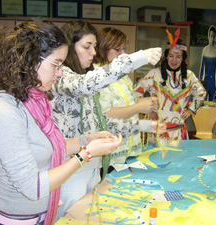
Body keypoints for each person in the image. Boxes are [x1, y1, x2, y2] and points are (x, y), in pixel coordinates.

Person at [0, 19, 122, 225]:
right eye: (57, 64)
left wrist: (86, 139)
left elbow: (51, 147)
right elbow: (32, 186)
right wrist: (86, 154)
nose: (60, 72)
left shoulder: (35, 101)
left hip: (40, 217)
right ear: (30, 60)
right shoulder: (3, 111)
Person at [50, 20, 162, 218]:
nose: (93, 52)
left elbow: (105, 122)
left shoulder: (83, 76)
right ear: (68, 47)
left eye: (94, 46)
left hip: (92, 167)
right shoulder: (61, 77)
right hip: (70, 170)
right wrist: (136, 58)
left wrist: (144, 125)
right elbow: (84, 85)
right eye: (87, 46)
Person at [95, 27, 165, 166]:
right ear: (104, 48)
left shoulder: (122, 74)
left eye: (124, 49)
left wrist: (145, 102)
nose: (123, 54)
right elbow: (106, 114)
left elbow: (126, 101)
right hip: (112, 154)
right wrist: (139, 107)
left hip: (130, 149)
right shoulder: (98, 77)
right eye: (117, 49)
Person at [134, 31, 206, 141]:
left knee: (179, 157)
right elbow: (135, 92)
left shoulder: (189, 76)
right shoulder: (154, 74)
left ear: (183, 58)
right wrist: (148, 110)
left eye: (178, 56)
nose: (174, 60)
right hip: (158, 131)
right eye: (171, 56)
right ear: (166, 57)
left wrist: (190, 110)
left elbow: (201, 93)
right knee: (155, 157)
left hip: (179, 131)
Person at [199, 25, 216, 101]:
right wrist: (200, 84)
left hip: (213, 82)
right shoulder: (205, 50)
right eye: (211, 36)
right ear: (208, 36)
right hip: (206, 81)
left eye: (214, 36)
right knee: (203, 102)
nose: (212, 38)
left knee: (211, 103)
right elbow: (202, 69)